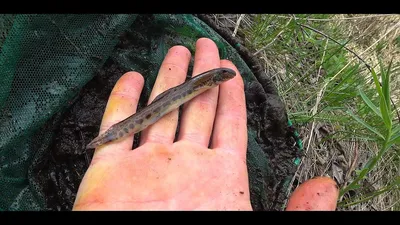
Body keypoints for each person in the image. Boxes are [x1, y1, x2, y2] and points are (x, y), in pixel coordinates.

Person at [72, 38, 339, 211]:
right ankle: (104, 139)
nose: (225, 78)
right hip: (145, 116)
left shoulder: (207, 83)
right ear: (213, 80)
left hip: (161, 107)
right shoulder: (205, 82)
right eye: (222, 77)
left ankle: (104, 139)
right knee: (129, 125)